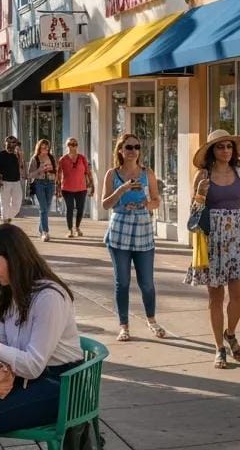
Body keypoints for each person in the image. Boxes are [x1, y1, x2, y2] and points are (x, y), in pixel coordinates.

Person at [0, 224, 83, 450]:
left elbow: (33, 366)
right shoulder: (10, 292)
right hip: (21, 378)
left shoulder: (49, 297)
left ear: (15, 259)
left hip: (60, 385)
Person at [185, 129, 240, 368]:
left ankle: (230, 333)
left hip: (237, 237)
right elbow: (193, 214)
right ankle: (219, 348)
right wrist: (200, 196)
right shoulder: (203, 175)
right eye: (220, 146)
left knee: (239, 295)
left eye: (229, 146)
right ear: (211, 151)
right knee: (215, 297)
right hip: (212, 238)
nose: (225, 150)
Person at [100, 133, 166, 342]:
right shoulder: (112, 174)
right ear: (120, 150)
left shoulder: (147, 173)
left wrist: (146, 203)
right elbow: (105, 204)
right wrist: (122, 189)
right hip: (120, 229)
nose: (133, 151)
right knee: (123, 282)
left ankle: (151, 320)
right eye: (128, 147)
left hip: (142, 229)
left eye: (136, 147)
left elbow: (156, 200)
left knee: (147, 282)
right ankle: (124, 326)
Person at [56, 138, 91, 238]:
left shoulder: (82, 158)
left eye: (75, 144)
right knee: (69, 209)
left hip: (81, 188)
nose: (73, 146)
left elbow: (88, 172)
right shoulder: (63, 159)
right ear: (67, 146)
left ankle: (77, 228)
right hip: (67, 189)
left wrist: (91, 185)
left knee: (80, 209)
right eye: (71, 144)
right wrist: (57, 189)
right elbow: (58, 176)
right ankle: (70, 230)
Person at [26, 139, 58, 242]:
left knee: (46, 208)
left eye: (47, 148)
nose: (45, 150)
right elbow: (29, 175)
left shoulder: (51, 157)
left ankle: (41, 229)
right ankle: (45, 232)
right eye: (43, 147)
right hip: (39, 183)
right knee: (43, 208)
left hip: (50, 183)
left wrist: (52, 172)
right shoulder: (35, 158)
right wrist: (39, 170)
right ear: (39, 148)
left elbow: (56, 171)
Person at [0, 136, 23, 224]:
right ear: (5, 144)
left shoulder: (17, 154)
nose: (10, 145)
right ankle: (5, 221)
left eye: (13, 143)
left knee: (17, 206)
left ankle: (7, 218)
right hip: (4, 182)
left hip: (16, 182)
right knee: (5, 204)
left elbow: (21, 167)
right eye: (8, 143)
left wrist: (20, 156)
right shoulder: (0, 154)